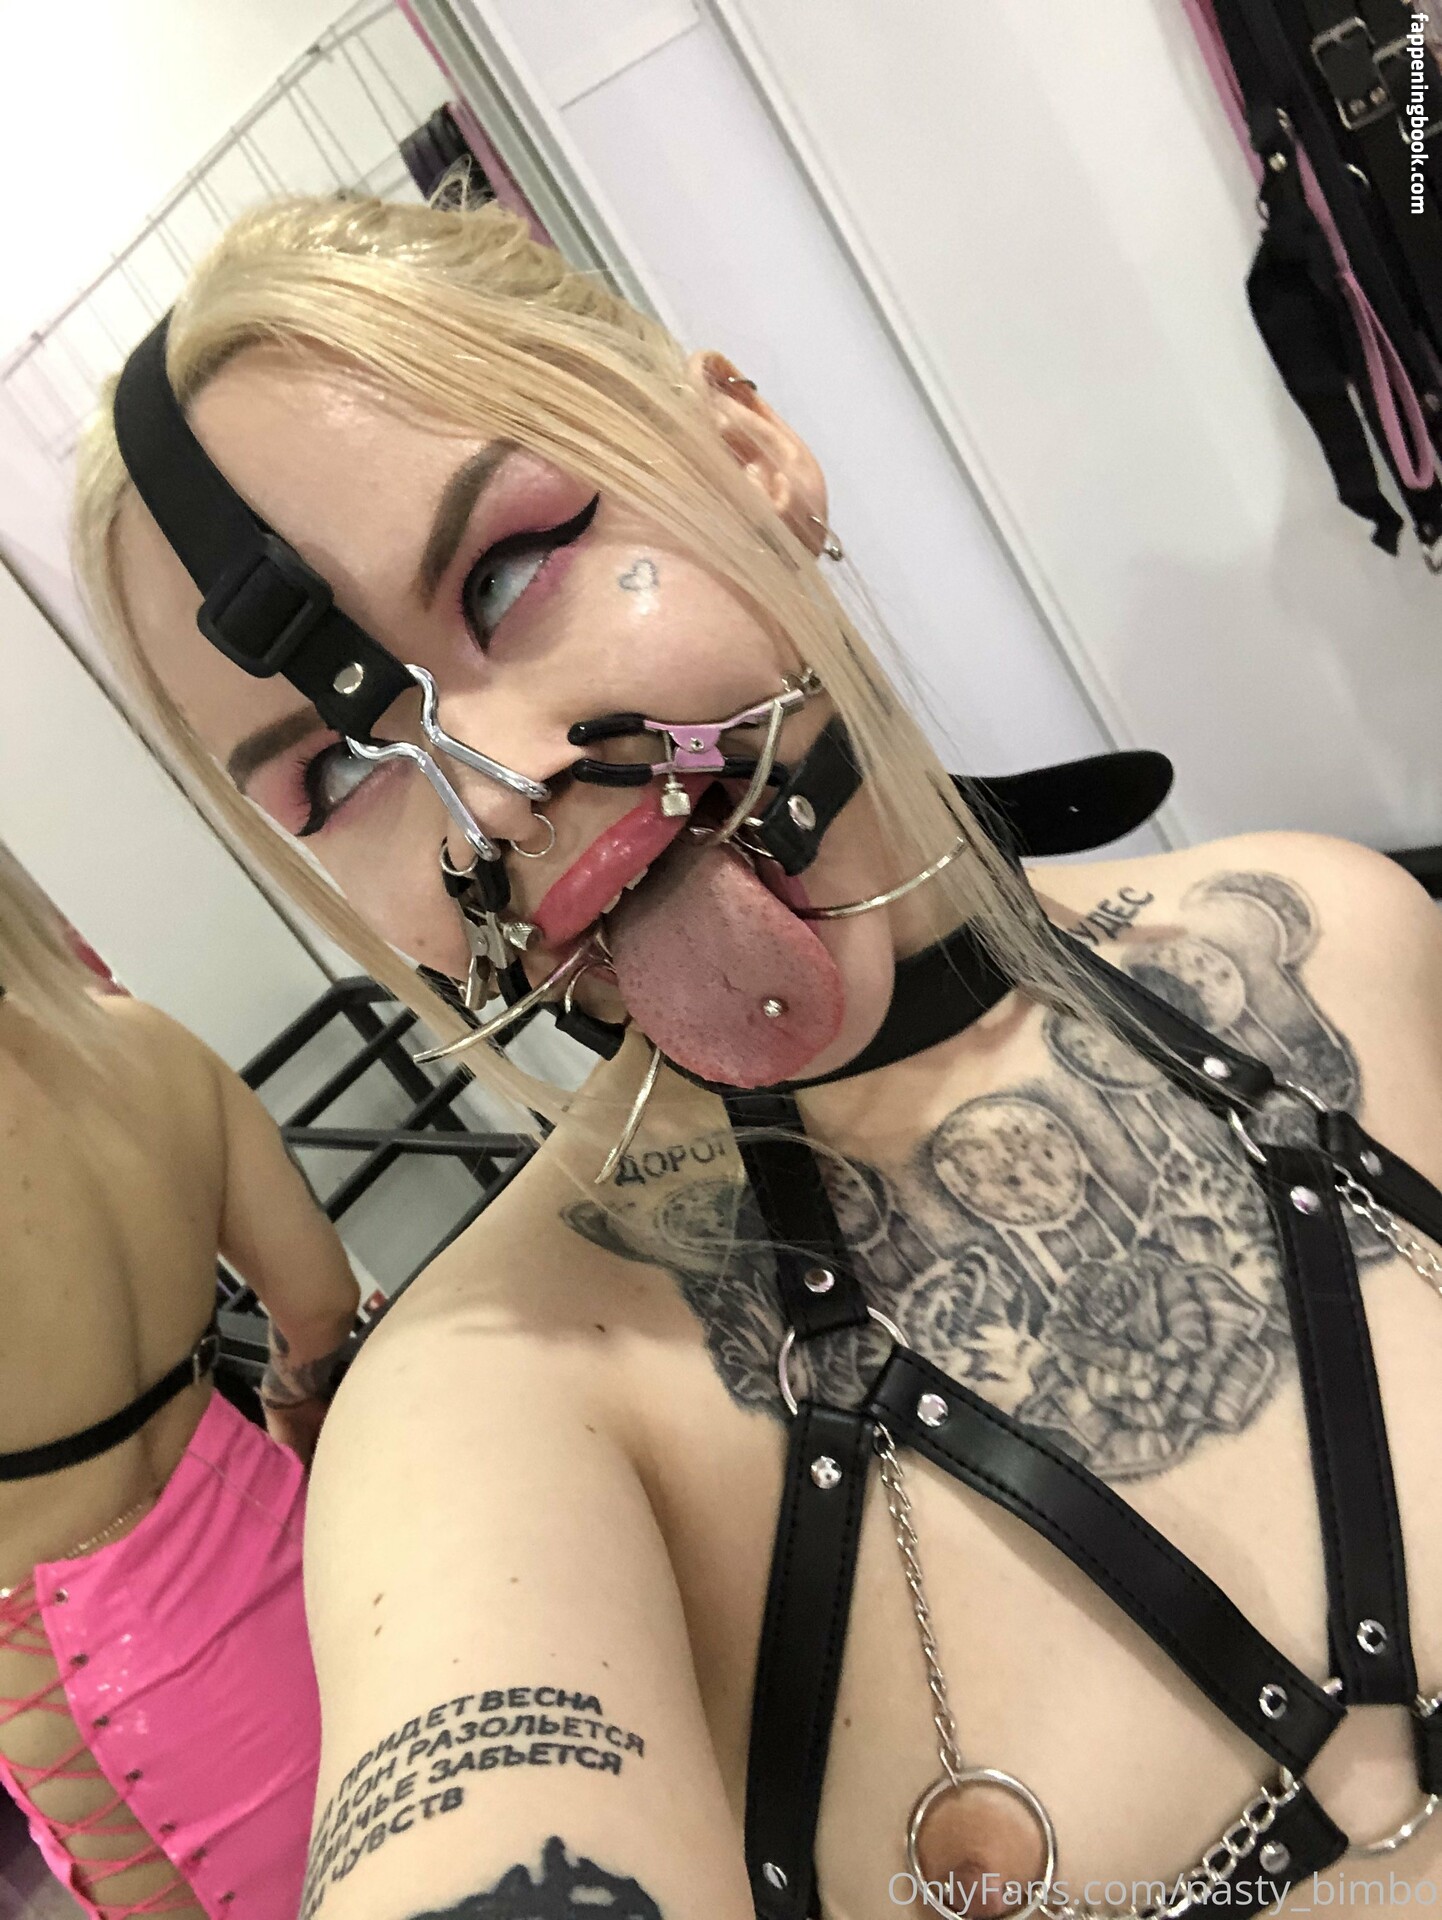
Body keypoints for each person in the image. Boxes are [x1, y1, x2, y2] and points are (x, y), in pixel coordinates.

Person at [72, 191, 1442, 1918]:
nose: (490, 797)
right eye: (336, 774)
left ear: (748, 449)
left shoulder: (1332, 939)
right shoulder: (489, 1413)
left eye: (506, 571)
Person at [0, 842, 361, 1920]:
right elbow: (318, 1302)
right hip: (319, 1575)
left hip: (118, 1726)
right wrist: (289, 1422)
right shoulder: (137, 1040)